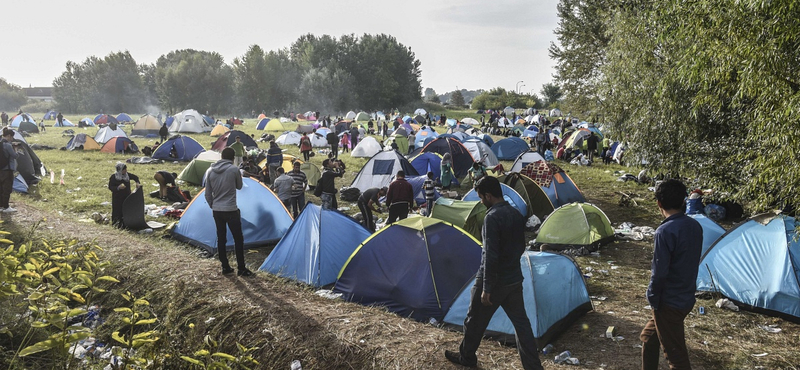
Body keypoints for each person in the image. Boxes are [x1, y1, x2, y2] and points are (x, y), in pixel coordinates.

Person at [444, 176, 543, 370]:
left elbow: (490, 254)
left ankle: (467, 357)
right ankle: (534, 367)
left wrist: (487, 287)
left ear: (489, 196)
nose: (481, 201)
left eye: (481, 197)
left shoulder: (492, 217)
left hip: (493, 280)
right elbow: (520, 246)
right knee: (522, 325)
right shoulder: (515, 214)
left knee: (474, 321)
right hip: (513, 279)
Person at [640, 179, 702, 370]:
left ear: (659, 203)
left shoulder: (664, 231)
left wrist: (652, 296)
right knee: (649, 337)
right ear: (684, 201)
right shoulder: (695, 226)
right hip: (685, 296)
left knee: (676, 357)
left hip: (669, 302)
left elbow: (659, 273)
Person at [204, 147, 252, 277]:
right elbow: (239, 186)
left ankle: (225, 266)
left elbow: (207, 194)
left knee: (221, 238)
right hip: (231, 209)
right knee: (238, 238)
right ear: (232, 158)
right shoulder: (233, 169)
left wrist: (213, 206)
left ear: (221, 157)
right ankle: (241, 268)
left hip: (217, 210)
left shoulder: (210, 171)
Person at [108, 162, 141, 228]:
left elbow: (135, 177)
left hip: (126, 196)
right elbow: (110, 187)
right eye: (124, 169)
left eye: (125, 169)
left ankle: (126, 224)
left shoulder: (127, 175)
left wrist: (137, 183)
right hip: (117, 197)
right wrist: (118, 187)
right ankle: (116, 224)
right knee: (117, 210)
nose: (125, 171)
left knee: (126, 209)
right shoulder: (114, 177)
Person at [0, 128, 19, 213]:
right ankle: (6, 207)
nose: (12, 139)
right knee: (7, 188)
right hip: (8, 169)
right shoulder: (8, 145)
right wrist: (15, 148)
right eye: (11, 137)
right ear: (8, 136)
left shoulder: (1, 143)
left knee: (1, 188)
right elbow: (15, 156)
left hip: (1, 169)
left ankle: (1, 206)